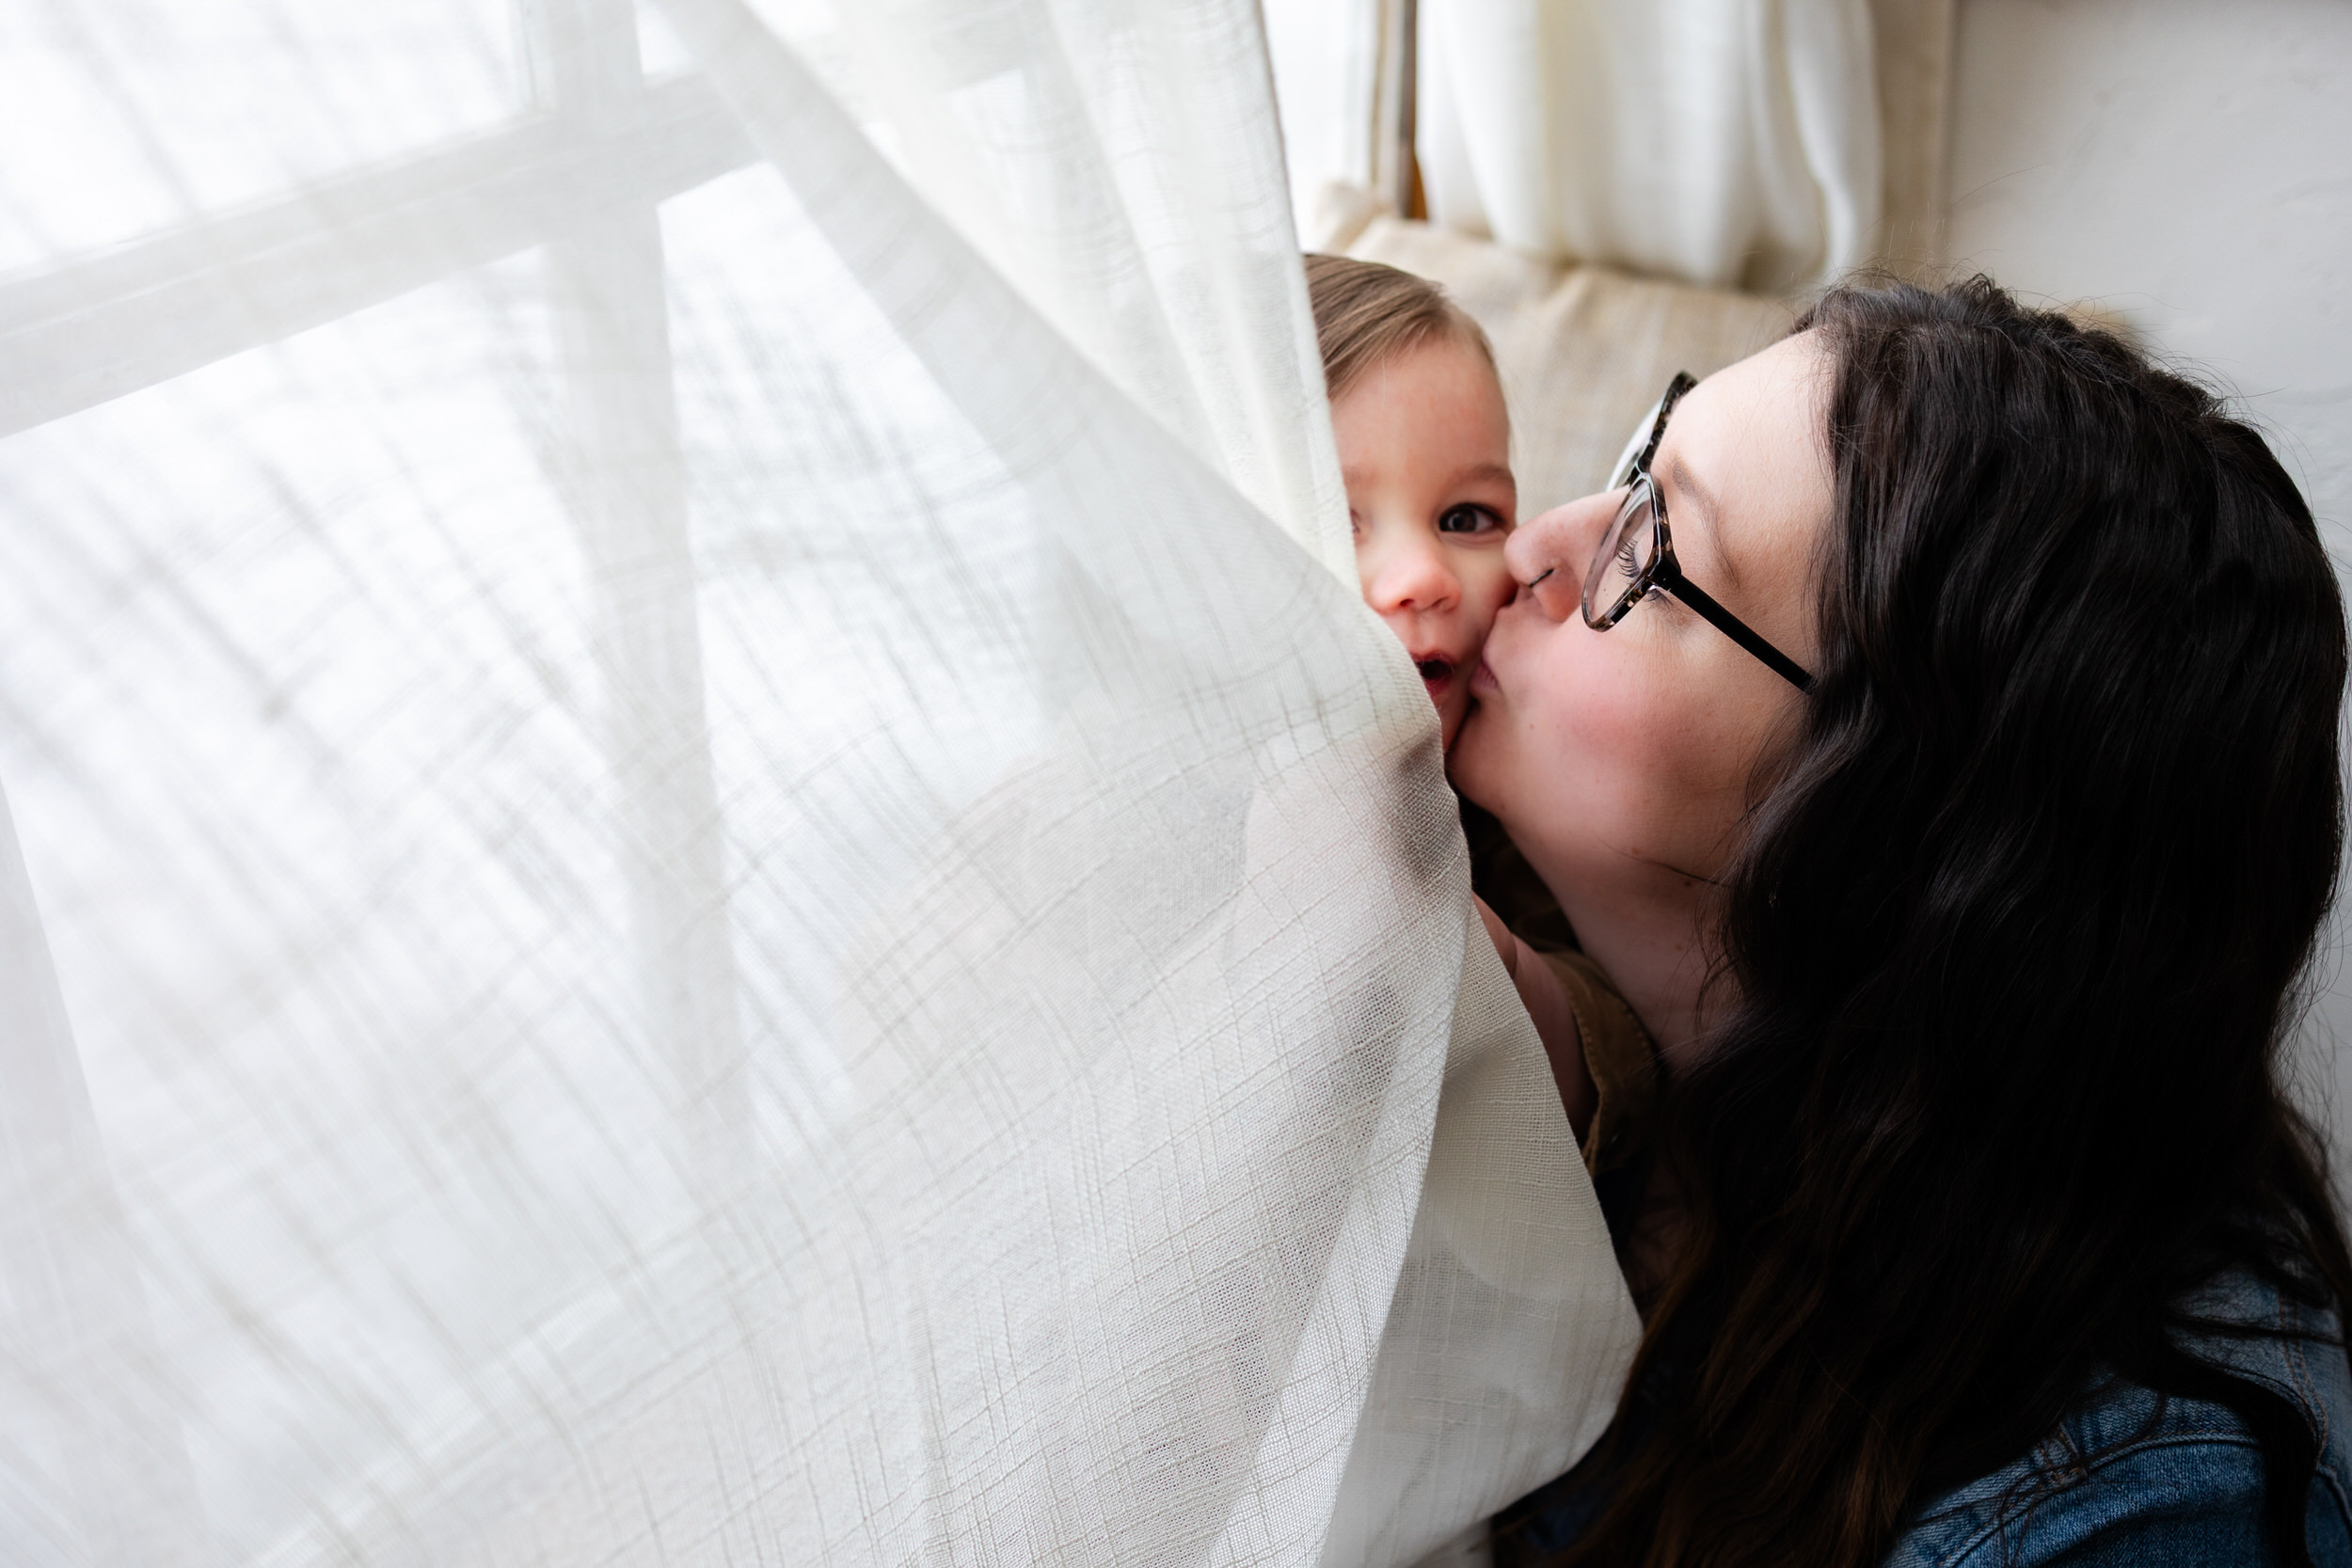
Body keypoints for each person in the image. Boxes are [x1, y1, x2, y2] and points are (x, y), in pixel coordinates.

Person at [1445, 277, 2352, 1565]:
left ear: (1887, 830)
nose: (1534, 545)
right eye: (1639, 463)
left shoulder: (2135, 1514)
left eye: (1652, 549)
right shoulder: (1499, 983)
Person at [1305, 254, 1655, 1162]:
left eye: (1465, 518)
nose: (1423, 576)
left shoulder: (1492, 810)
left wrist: (1486, 966)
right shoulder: (1106, 795)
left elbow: (1617, 1056)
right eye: (1333, 514)